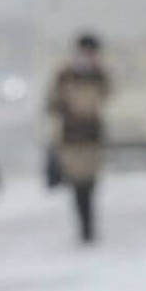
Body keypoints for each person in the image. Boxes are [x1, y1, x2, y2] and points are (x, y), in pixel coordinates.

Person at [46, 34, 110, 243]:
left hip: (92, 138)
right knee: (78, 184)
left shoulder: (99, 75)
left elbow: (106, 95)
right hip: (72, 139)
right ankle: (85, 228)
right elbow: (51, 104)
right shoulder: (65, 75)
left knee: (90, 183)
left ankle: (89, 226)